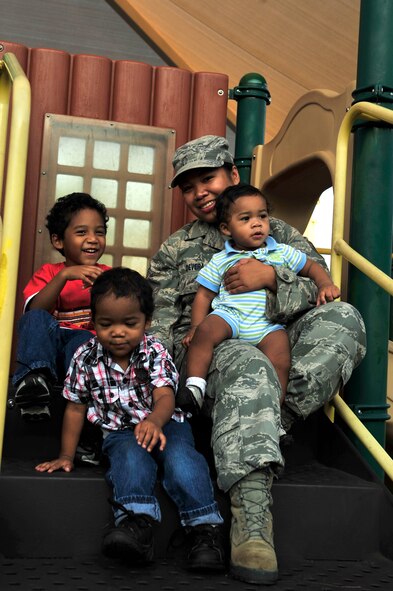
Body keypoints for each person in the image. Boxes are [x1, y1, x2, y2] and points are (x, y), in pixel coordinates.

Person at [147, 135, 366, 585]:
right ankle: (252, 522)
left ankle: (270, 420)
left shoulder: (276, 231)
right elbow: (159, 328)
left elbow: (320, 289)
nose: (199, 192)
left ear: (232, 175)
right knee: (247, 363)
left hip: (275, 338)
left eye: (207, 178)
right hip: (214, 358)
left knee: (343, 318)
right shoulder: (175, 251)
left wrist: (272, 277)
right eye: (188, 187)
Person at [35, 267, 226, 571]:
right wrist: (65, 455)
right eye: (106, 324)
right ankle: (137, 525)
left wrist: (154, 421)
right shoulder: (85, 357)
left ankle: (204, 531)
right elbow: (75, 408)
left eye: (130, 323)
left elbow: (165, 396)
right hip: (121, 431)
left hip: (167, 423)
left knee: (181, 461)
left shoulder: (154, 351)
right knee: (129, 459)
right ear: (94, 321)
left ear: (147, 322)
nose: (118, 332)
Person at [179, 183, 341, 413]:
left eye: (262, 216)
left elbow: (310, 267)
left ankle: (275, 411)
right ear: (226, 229)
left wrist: (324, 283)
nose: (257, 223)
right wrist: (195, 326)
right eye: (245, 219)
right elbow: (204, 295)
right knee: (204, 333)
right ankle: (195, 386)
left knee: (281, 359)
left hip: (267, 323)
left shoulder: (282, 252)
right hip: (230, 316)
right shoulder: (222, 258)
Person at [12, 192, 111, 425]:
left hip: (81, 355)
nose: (93, 239)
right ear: (58, 241)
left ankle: (82, 398)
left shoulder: (107, 275)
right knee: (34, 318)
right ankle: (34, 382)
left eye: (99, 232)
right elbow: (36, 310)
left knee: (83, 340)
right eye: (81, 232)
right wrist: (64, 276)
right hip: (48, 350)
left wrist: (105, 289)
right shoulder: (49, 273)